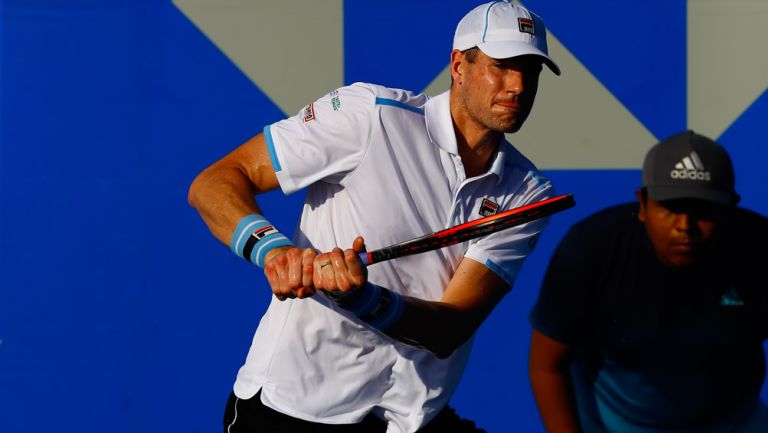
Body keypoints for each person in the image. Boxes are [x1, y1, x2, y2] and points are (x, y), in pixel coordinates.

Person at [189, 1, 561, 432]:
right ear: (459, 65)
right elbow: (214, 183)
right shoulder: (369, 115)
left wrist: (362, 299)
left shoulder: (526, 192)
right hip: (293, 409)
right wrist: (276, 254)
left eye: (529, 71)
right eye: (502, 66)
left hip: (409, 420)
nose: (517, 85)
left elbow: (450, 327)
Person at [528, 130, 768, 433]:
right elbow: (547, 366)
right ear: (642, 204)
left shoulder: (761, 250)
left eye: (703, 210)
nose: (685, 226)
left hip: (736, 421)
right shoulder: (593, 248)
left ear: (730, 208)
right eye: (671, 207)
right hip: (614, 423)